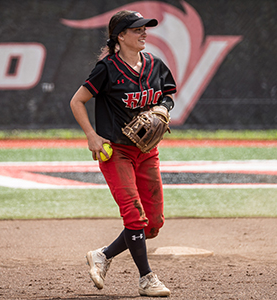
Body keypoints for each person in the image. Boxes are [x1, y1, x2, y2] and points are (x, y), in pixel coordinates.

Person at [69, 10, 176, 297]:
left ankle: (103, 255)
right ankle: (146, 278)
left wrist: (163, 107)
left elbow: (167, 94)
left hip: (147, 151)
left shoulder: (154, 64)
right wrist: (92, 135)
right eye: (138, 29)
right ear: (121, 36)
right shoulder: (107, 69)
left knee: (152, 224)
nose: (144, 33)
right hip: (116, 152)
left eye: (145, 29)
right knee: (134, 216)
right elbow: (77, 101)